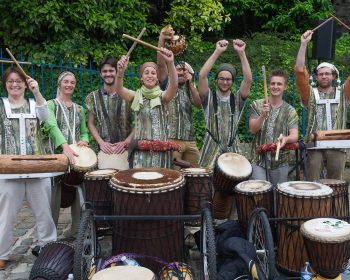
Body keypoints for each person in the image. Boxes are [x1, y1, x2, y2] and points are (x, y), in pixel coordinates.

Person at [0, 67, 57, 270]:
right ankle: (2, 253)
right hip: (8, 170)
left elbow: (45, 116)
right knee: (6, 215)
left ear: (25, 83)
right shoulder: (1, 106)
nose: (15, 84)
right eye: (10, 81)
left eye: (19, 81)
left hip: (37, 168)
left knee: (44, 213)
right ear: (5, 84)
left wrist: (37, 91)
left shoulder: (35, 104)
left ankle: (48, 247)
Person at [295, 30, 350, 181]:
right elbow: (300, 71)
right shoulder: (309, 93)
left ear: (334, 76)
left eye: (327, 73)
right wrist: (304, 44)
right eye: (321, 74)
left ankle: (334, 206)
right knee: (313, 184)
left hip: (338, 144)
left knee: (336, 185)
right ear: (316, 77)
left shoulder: (344, 93)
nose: (324, 76)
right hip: (314, 144)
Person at [44, 70, 89, 238]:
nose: (69, 85)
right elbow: (52, 127)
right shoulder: (50, 105)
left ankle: (77, 231)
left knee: (78, 193)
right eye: (66, 82)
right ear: (60, 84)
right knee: (54, 197)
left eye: (72, 82)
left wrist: (84, 140)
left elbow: (84, 132)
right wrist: (64, 147)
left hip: (77, 158)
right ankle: (50, 235)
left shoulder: (79, 109)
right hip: (57, 157)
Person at [116, 48, 178, 168]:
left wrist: (170, 63)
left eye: (153, 73)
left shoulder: (163, 96)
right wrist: (120, 72)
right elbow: (119, 89)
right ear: (141, 77)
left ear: (157, 78)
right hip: (140, 153)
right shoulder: (136, 96)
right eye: (146, 72)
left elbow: (174, 86)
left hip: (161, 153)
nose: (150, 75)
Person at [198, 39, 252, 168]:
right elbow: (201, 76)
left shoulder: (238, 99)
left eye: (228, 79)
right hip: (210, 147)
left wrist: (241, 53)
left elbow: (248, 80)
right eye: (221, 79)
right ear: (216, 80)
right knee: (205, 184)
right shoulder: (208, 97)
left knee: (235, 183)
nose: (225, 82)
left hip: (232, 147)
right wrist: (217, 51)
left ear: (232, 81)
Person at [157, 30, 202, 167]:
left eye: (184, 70)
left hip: (190, 140)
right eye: (178, 69)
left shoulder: (190, 87)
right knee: (174, 176)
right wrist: (162, 39)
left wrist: (191, 84)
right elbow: (160, 64)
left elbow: (199, 104)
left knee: (196, 174)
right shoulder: (167, 84)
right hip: (172, 139)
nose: (181, 72)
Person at [249, 69, 299, 186]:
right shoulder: (257, 105)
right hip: (258, 160)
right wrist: (262, 116)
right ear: (269, 85)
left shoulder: (290, 111)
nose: (275, 86)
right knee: (260, 194)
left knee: (278, 197)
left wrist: (286, 139)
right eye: (273, 83)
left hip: (280, 161)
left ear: (285, 87)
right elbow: (252, 130)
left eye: (279, 84)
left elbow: (294, 135)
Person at [85, 57, 133, 157]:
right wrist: (101, 142)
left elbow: (140, 121)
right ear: (100, 73)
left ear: (116, 71)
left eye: (111, 70)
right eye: (104, 71)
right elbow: (90, 123)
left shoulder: (128, 95)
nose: (108, 74)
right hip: (103, 150)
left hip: (126, 150)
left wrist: (127, 141)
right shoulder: (91, 97)